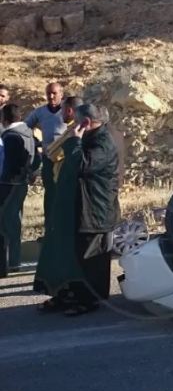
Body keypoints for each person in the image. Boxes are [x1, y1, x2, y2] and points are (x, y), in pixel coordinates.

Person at [34, 103, 120, 316]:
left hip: (95, 211)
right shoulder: (90, 138)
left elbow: (82, 164)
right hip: (80, 207)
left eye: (76, 123)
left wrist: (74, 141)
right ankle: (68, 294)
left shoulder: (103, 143)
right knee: (73, 256)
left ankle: (89, 300)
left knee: (91, 259)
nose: (72, 127)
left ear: (86, 123)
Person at [0, 104, 36, 277]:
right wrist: (31, 172)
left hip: (8, 184)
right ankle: (14, 261)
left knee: (6, 224)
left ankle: (7, 263)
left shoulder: (9, 137)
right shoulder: (28, 133)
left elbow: (7, 163)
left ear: (4, 119)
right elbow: (35, 157)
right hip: (21, 184)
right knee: (15, 221)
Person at [25, 82, 66, 228]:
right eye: (49, 93)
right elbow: (26, 126)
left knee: (65, 192)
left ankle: (63, 228)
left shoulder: (68, 111)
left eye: (54, 93)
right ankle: (49, 228)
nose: (51, 96)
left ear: (61, 94)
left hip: (65, 159)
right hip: (48, 158)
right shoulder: (40, 112)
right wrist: (34, 142)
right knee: (50, 193)